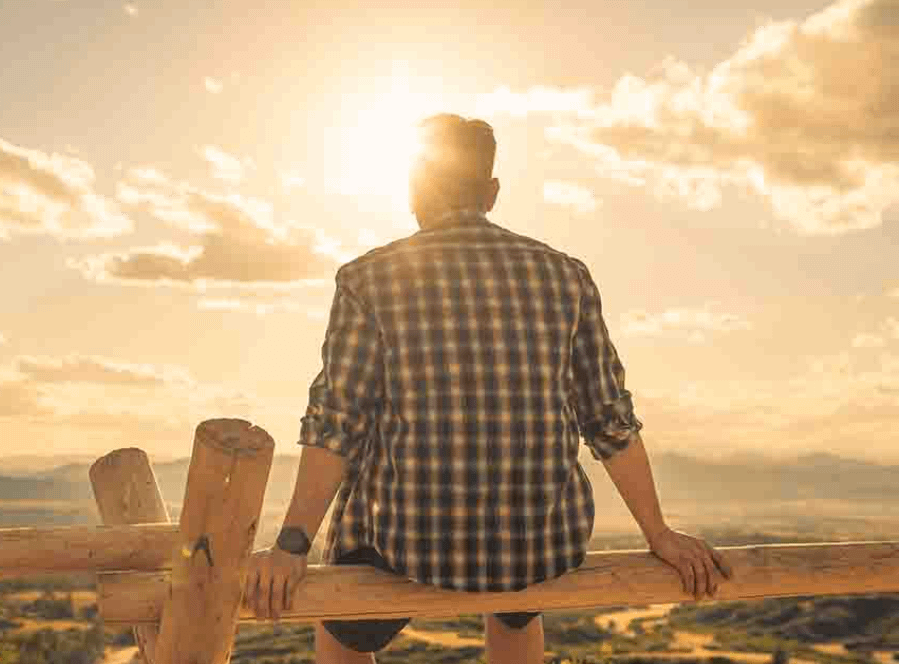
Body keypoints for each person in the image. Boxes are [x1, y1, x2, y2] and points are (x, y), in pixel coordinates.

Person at [243, 113, 735, 663]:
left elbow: (337, 423)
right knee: (516, 592)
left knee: (342, 631)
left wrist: (292, 546)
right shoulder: (566, 276)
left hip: (407, 543)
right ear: (492, 193)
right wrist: (659, 532)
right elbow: (608, 419)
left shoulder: (367, 279)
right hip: (536, 547)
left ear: (412, 189)